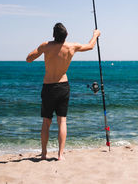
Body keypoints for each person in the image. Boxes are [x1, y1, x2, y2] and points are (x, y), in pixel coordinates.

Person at [26, 22, 100, 160]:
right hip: (63, 86)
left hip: (48, 87)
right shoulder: (71, 46)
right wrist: (95, 35)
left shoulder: (46, 46)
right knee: (62, 121)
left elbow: (28, 59)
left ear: (54, 35)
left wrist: (41, 50)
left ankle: (43, 154)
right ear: (66, 35)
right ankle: (60, 155)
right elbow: (90, 46)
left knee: (46, 122)